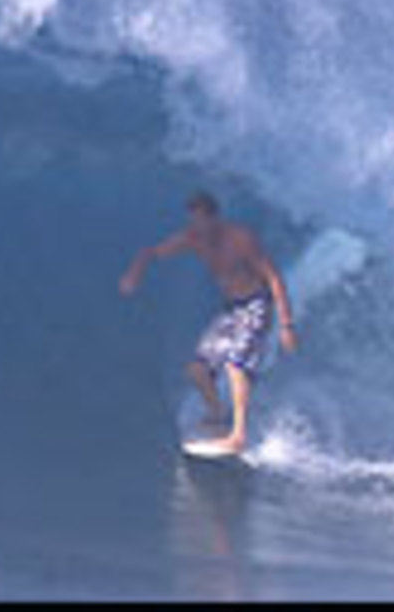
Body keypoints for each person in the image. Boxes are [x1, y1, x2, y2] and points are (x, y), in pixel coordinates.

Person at [119, 192, 298, 454]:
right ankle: (218, 414)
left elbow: (273, 278)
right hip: (231, 310)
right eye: (192, 221)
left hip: (256, 305)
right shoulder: (192, 239)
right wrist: (134, 272)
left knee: (235, 365)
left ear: (215, 219)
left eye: (201, 221)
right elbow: (151, 252)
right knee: (197, 370)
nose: (196, 227)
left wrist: (286, 325)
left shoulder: (241, 239)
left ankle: (238, 435)